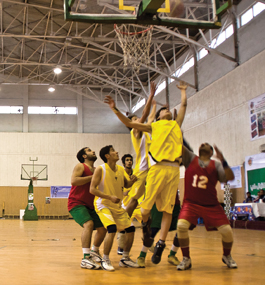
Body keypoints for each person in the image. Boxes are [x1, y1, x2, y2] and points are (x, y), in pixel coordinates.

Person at [104, 81, 188, 265]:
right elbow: (139, 118)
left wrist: (163, 100)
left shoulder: (168, 126)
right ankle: (124, 229)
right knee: (139, 204)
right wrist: (116, 108)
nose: (138, 120)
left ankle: (157, 242)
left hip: (169, 169)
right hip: (147, 170)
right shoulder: (139, 130)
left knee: (166, 208)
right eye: (162, 111)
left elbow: (160, 112)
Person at [176, 143, 237, 271]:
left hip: (211, 205)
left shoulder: (217, 165)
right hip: (191, 203)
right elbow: (177, 141)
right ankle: (186, 259)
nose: (204, 143)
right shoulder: (191, 157)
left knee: (227, 231)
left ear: (211, 152)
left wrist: (223, 160)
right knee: (181, 226)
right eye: (202, 144)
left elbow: (230, 178)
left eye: (207, 145)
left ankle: (227, 256)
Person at [90, 145, 139, 271]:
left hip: (117, 205)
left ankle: (125, 258)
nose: (116, 151)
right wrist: (109, 197)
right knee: (111, 229)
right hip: (103, 204)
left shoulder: (121, 169)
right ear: (107, 156)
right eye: (113, 151)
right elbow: (92, 189)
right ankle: (105, 259)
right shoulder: (101, 169)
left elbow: (126, 184)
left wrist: (132, 181)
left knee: (131, 229)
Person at [68, 147, 106, 270]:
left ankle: (95, 251)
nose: (93, 151)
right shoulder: (81, 166)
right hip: (76, 203)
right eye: (89, 150)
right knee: (88, 224)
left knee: (103, 228)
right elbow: (74, 181)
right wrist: (93, 177)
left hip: (91, 205)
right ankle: (85, 258)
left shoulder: (97, 169)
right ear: (84, 156)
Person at [125, 81, 157, 218]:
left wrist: (154, 105)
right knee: (134, 198)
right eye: (136, 119)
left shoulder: (146, 130)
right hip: (142, 169)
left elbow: (149, 117)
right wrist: (150, 96)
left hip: (154, 168)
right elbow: (145, 114)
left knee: (151, 199)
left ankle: (148, 223)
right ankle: (124, 222)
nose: (139, 120)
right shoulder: (135, 131)